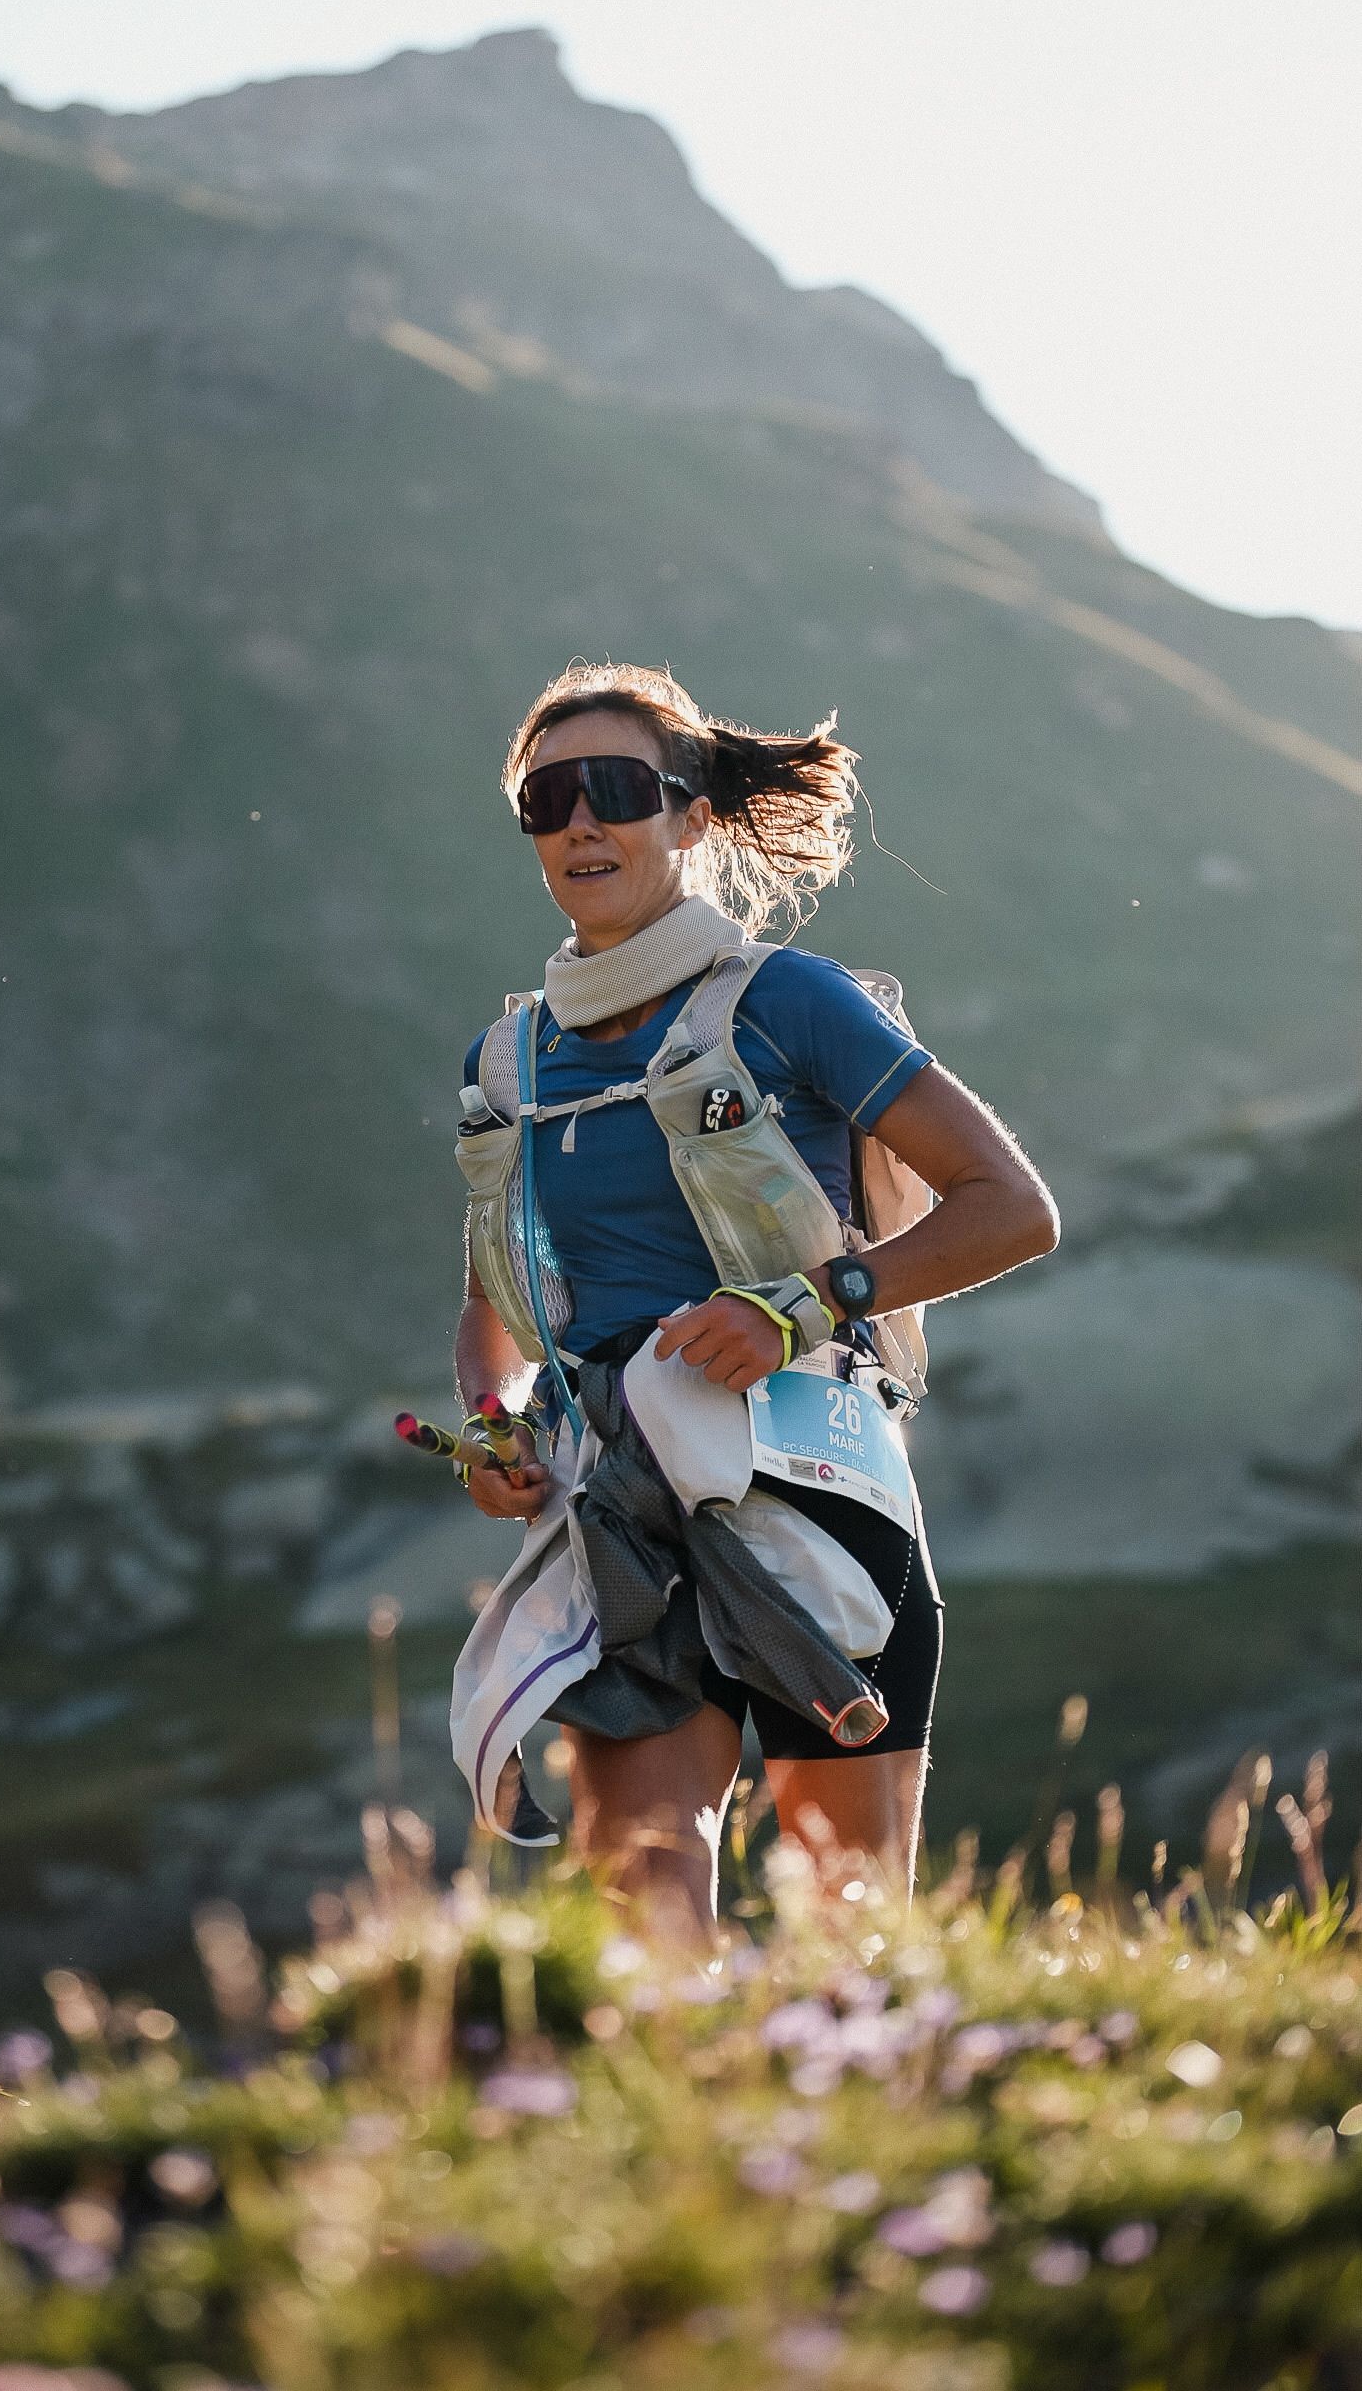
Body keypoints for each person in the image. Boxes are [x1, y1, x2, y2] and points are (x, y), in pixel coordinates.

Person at [449, 663, 1058, 1931]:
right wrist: (494, 1422)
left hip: (817, 1489)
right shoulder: (508, 1060)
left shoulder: (789, 1000)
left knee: (849, 1927)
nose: (579, 821)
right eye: (546, 798)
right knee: (644, 1928)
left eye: (614, 788)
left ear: (688, 814)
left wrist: (804, 1304)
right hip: (616, 1508)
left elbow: (1011, 1206)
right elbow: (493, 1312)